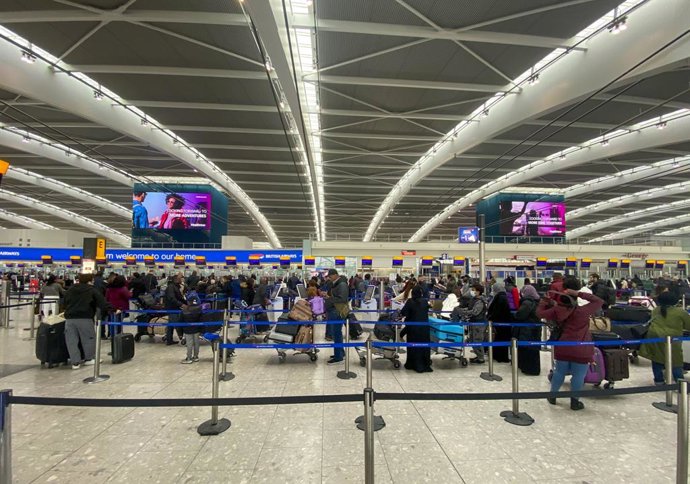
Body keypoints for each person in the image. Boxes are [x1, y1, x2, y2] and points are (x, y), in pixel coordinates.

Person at [537, 276, 604, 410]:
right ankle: (574, 401)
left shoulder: (557, 310)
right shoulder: (583, 311)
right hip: (582, 347)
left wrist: (544, 301)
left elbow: (539, 314)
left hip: (562, 346)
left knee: (559, 372)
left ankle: (553, 396)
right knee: (578, 375)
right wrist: (577, 293)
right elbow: (599, 301)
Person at [640, 291, 690, 384]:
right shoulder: (680, 312)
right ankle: (680, 382)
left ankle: (659, 381)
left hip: (654, 337)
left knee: (656, 358)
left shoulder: (656, 310)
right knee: (676, 360)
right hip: (672, 339)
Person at [63, 273, 110, 369]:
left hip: (70, 318)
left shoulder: (71, 289)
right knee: (88, 338)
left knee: (71, 340)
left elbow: (65, 301)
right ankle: (89, 358)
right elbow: (102, 302)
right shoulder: (91, 290)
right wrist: (112, 309)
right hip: (85, 317)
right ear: (89, 281)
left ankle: (75, 362)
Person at [451, 284, 487, 364]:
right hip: (474, 322)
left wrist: (463, 312)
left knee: (477, 340)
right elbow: (470, 308)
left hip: (479, 323)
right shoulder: (474, 299)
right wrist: (462, 310)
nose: (472, 291)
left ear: (478, 291)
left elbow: (475, 312)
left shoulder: (480, 301)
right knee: (473, 340)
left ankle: (481, 358)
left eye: (473, 290)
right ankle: (478, 356)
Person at [400, 286, 432, 373]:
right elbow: (429, 307)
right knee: (424, 346)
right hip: (424, 328)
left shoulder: (410, 301)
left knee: (413, 346)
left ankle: (413, 364)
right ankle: (425, 364)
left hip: (413, 329)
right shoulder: (425, 301)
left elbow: (403, 312)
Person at [513, 285, 542, 375]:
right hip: (535, 328)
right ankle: (533, 369)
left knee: (527, 348)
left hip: (527, 329)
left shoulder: (527, 302)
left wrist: (514, 315)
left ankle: (528, 368)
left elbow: (520, 315)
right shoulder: (538, 301)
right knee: (534, 349)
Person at [322, 268, 349, 364]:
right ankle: (340, 353)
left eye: (330, 276)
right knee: (336, 333)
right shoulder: (337, 284)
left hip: (337, 311)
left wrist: (329, 298)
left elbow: (342, 298)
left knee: (336, 333)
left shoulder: (342, 284)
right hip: (334, 310)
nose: (329, 278)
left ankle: (338, 358)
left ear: (335, 275)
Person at [488, 282, 513, 363]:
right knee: (502, 338)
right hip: (503, 322)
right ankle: (500, 356)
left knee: (501, 339)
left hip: (502, 322)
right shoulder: (502, 296)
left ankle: (501, 357)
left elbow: (497, 311)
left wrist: (490, 317)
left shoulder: (500, 297)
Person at [164, 273, 187, 345]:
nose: (182, 280)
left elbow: (180, 297)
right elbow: (172, 298)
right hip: (172, 308)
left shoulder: (175, 287)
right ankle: (181, 338)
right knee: (177, 323)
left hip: (174, 307)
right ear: (176, 280)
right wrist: (182, 304)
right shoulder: (171, 287)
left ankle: (169, 340)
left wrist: (186, 303)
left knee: (170, 324)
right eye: (180, 278)